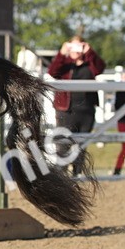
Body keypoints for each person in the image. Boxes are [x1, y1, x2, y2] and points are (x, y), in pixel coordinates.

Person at [47, 35, 105, 173]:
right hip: (66, 110)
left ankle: (77, 173)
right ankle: (61, 174)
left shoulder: (89, 63)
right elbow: (52, 72)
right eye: (73, 46)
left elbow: (100, 68)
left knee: (82, 144)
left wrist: (90, 52)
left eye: (80, 46)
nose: (76, 50)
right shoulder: (64, 64)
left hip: (87, 110)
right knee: (63, 143)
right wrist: (61, 54)